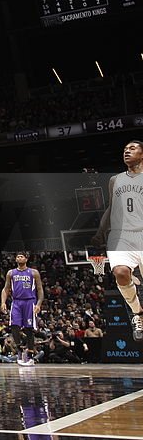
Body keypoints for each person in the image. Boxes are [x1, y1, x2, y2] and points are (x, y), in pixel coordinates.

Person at [91, 140, 143, 341]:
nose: (127, 151)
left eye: (132, 148)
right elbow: (111, 208)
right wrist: (99, 232)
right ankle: (138, 314)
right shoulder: (115, 180)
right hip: (121, 234)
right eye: (125, 149)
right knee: (120, 272)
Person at [0, 251, 44, 366]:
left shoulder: (34, 272)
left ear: (26, 259)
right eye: (17, 257)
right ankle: (19, 350)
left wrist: (39, 304)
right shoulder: (11, 273)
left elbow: (40, 289)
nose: (19, 258)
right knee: (14, 326)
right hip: (16, 302)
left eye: (21, 256)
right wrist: (3, 302)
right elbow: (5, 289)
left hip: (30, 302)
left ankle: (30, 355)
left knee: (29, 329)